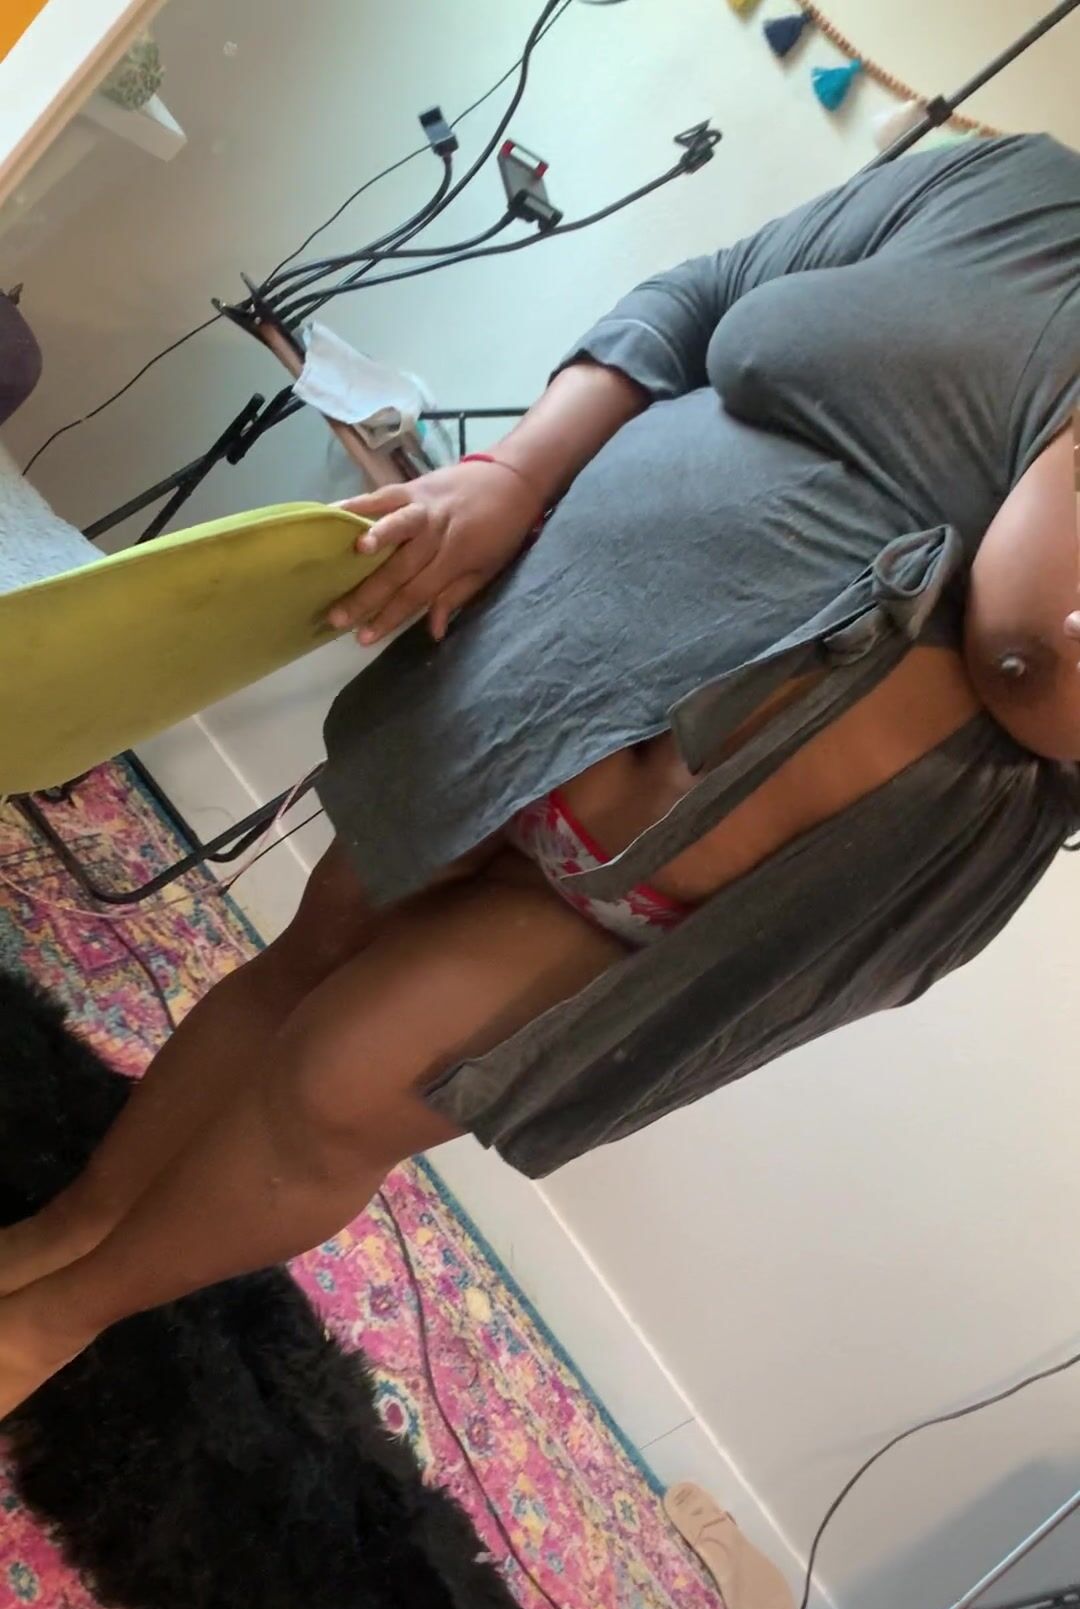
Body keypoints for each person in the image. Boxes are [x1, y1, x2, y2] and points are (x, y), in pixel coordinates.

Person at [0, 132, 1077, 1418]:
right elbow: (696, 300)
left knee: (337, 1088)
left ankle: (51, 1326)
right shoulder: (1010, 185)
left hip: (709, 893)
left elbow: (1037, 652)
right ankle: (65, 1229)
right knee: (305, 961)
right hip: (536, 686)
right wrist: (510, 474)